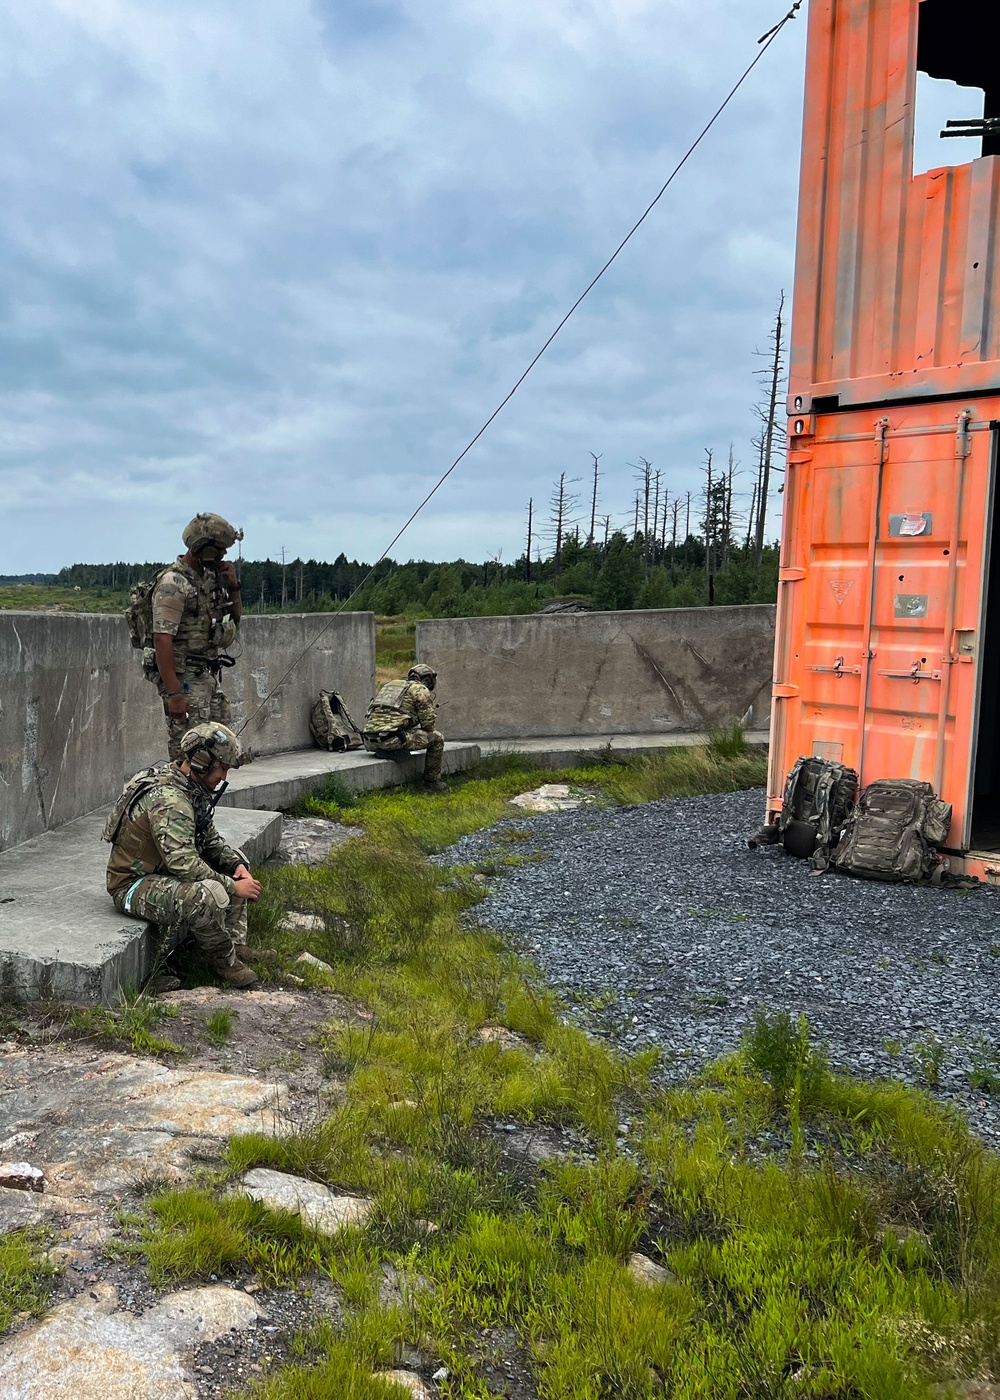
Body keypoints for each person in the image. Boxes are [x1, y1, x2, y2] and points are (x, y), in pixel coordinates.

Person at [104, 722, 272, 989]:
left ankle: (236, 945)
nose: (224, 776)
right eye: (222, 767)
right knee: (208, 895)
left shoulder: (189, 787)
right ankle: (225, 963)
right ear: (202, 762)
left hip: (161, 874)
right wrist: (233, 886)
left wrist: (236, 864)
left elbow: (210, 840)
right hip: (133, 885)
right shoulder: (171, 800)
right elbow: (183, 864)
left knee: (233, 864)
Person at [149, 513, 244, 761]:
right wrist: (174, 694)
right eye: (219, 550)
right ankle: (185, 799)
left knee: (218, 748)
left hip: (208, 675)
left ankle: (204, 800)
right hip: (186, 680)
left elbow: (233, 621)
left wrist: (233, 585)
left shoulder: (208, 580)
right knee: (190, 753)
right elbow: (162, 639)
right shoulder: (173, 583)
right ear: (203, 547)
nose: (223, 556)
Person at [362, 663, 446, 791]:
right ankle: (431, 781)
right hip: (391, 740)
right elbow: (428, 725)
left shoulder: (390, 685)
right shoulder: (420, 689)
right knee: (437, 738)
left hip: (368, 741)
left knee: (402, 732)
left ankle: (386, 750)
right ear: (428, 680)